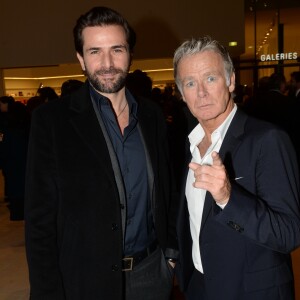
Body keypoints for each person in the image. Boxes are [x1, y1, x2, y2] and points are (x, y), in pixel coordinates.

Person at [24, 6, 178, 300]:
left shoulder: (151, 115)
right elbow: (39, 222)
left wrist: (170, 256)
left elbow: (166, 189)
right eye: (95, 51)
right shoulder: (52, 121)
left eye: (116, 49)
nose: (107, 63)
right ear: (81, 59)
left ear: (130, 53)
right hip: (83, 279)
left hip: (150, 275)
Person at [173, 36, 300, 300]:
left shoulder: (267, 139)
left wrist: (228, 198)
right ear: (182, 93)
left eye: (210, 78)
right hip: (199, 287)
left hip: (251, 292)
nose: (201, 93)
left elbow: (289, 234)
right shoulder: (189, 145)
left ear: (230, 81)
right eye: (190, 83)